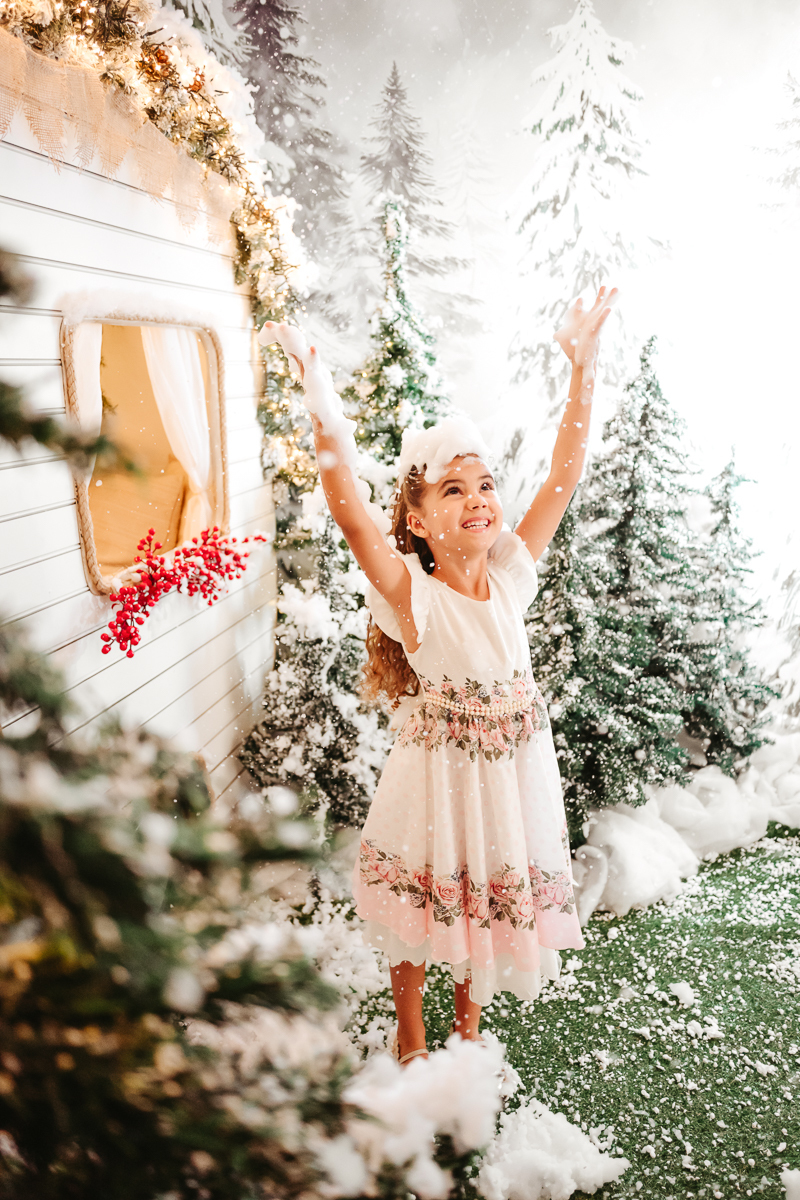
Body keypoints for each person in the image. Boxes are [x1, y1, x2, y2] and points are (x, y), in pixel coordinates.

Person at [260, 285, 617, 1066]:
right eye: (452, 489)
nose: (478, 500)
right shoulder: (410, 595)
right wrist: (322, 404)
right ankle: (411, 1026)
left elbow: (563, 473)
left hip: (504, 780)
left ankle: (467, 1025)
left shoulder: (512, 573)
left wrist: (581, 368)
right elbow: (350, 511)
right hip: (436, 780)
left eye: (484, 484)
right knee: (423, 902)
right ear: (418, 521)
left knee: (482, 899)